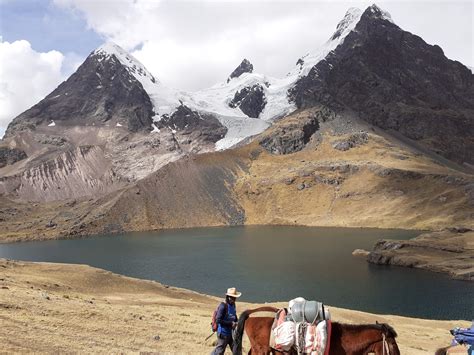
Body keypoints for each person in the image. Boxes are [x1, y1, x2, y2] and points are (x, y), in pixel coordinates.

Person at [212, 287, 242, 355]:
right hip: (223, 334)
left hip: (231, 334)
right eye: (233, 297)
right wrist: (231, 324)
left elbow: (234, 315)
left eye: (235, 298)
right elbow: (218, 320)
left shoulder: (233, 305)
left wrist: (237, 321)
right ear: (228, 297)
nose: (234, 299)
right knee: (219, 352)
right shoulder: (223, 306)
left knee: (237, 351)